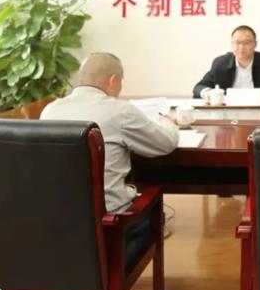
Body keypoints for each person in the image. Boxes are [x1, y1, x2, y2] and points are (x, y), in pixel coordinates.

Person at [41, 52, 179, 269]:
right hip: (109, 229)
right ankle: (113, 276)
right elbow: (165, 143)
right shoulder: (119, 111)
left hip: (58, 226)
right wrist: (170, 124)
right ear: (112, 80)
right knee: (155, 211)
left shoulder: (50, 110)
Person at [193, 25, 260, 101]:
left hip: (259, 109)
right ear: (232, 44)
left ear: (255, 44)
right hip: (227, 110)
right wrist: (209, 93)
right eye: (237, 42)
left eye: (246, 43)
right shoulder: (220, 63)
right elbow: (199, 87)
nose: (241, 47)